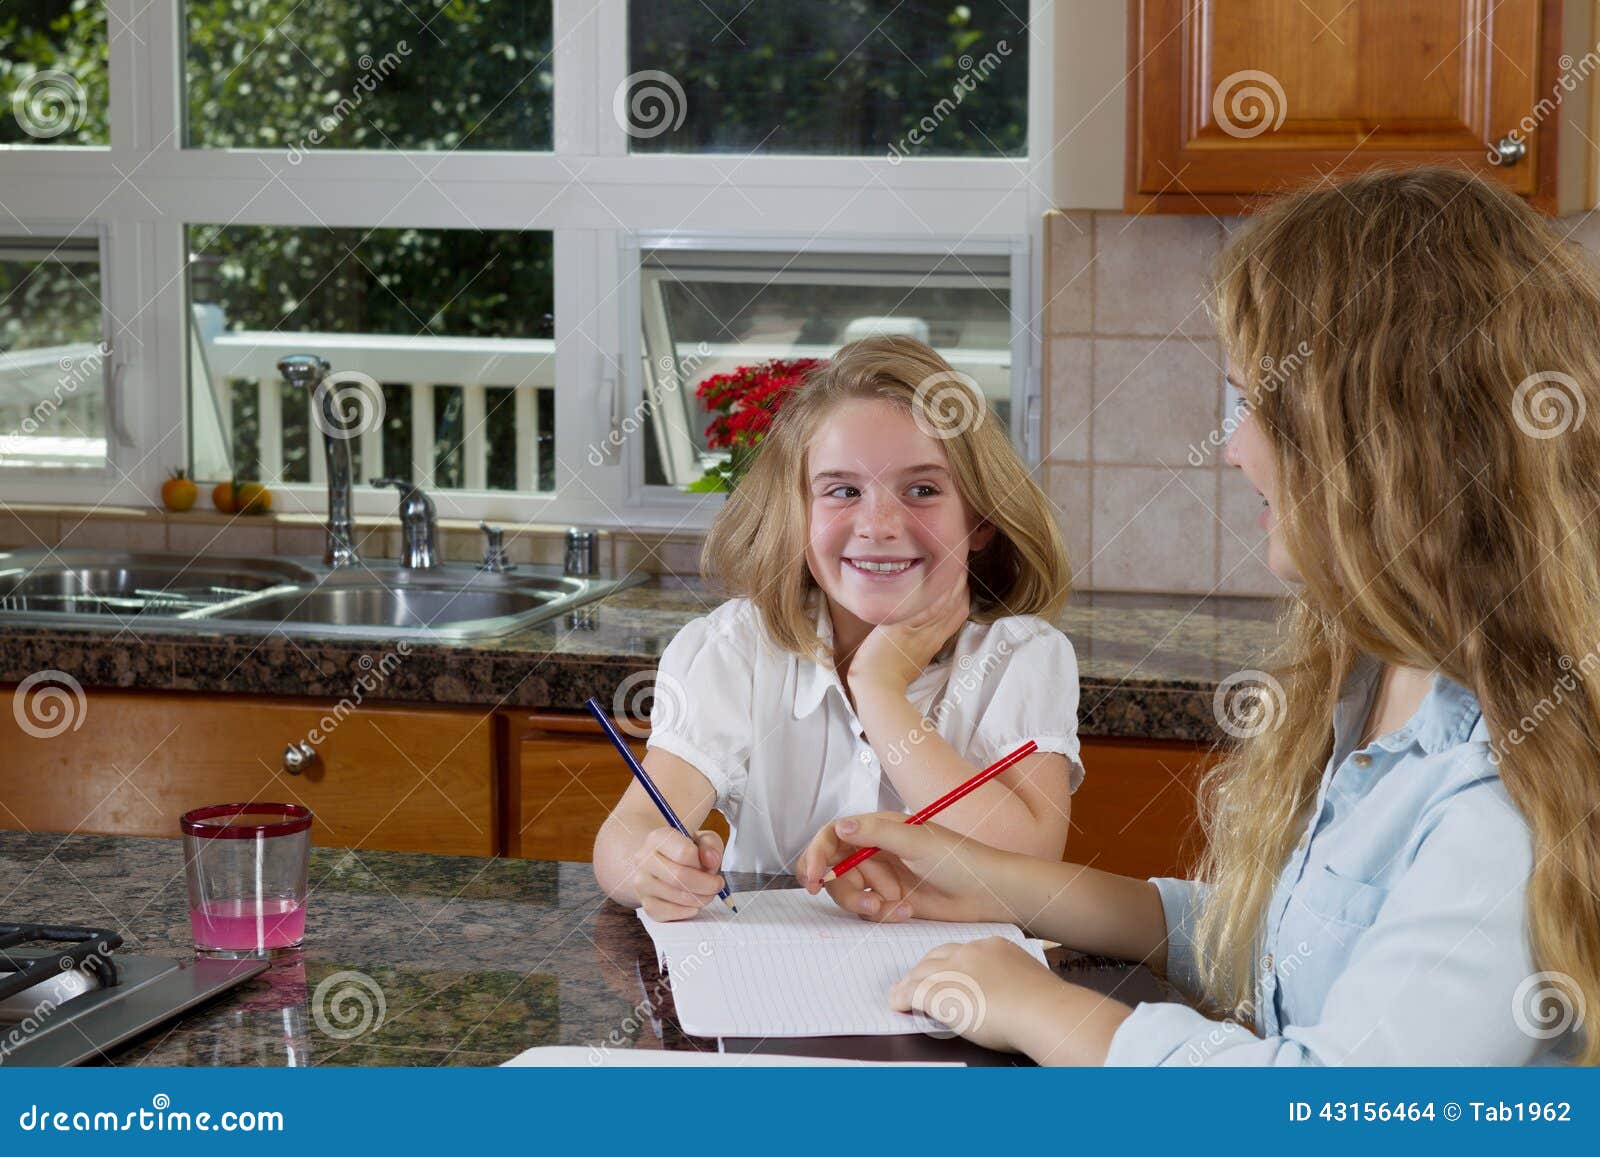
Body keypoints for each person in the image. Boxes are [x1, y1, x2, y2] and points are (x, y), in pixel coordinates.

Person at [799, 167, 1597, 1065]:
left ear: (1382, 443)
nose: (1232, 447)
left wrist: (1034, 1005)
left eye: (1257, 404)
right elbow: (1278, 942)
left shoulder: (1503, 789)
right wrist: (989, 881)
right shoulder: (1383, 676)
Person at [595, 336, 1081, 920]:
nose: (878, 524)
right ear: (797, 511)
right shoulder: (738, 649)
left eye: (922, 490)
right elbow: (629, 833)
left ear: (978, 519)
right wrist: (649, 865)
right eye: (843, 491)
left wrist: (880, 690)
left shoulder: (1024, 657)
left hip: (965, 992)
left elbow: (1029, 866)